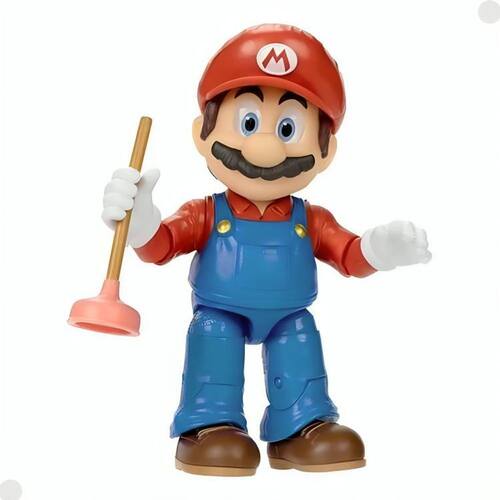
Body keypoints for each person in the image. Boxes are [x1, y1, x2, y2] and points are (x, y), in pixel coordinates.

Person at [101, 24, 431, 476]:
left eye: (288, 128)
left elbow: (349, 256)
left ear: (326, 150)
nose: (265, 146)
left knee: (298, 340)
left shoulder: (310, 219)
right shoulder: (205, 212)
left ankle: (301, 424)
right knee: (213, 338)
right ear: (202, 132)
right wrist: (140, 221)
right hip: (218, 311)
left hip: (289, 315)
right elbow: (161, 246)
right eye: (249, 122)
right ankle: (209, 423)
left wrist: (380, 249)